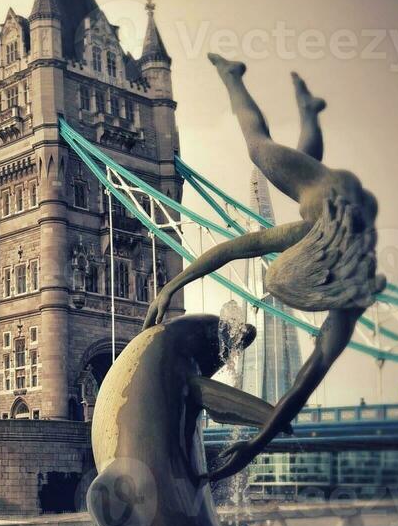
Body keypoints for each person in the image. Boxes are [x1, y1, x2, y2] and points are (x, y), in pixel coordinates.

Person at [144, 53, 385, 482]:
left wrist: (254, 446)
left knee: (279, 156)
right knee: (263, 150)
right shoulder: (328, 247)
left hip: (336, 195)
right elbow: (240, 247)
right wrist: (174, 284)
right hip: (333, 194)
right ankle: (246, 82)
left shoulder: (344, 283)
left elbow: (303, 381)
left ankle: (253, 85)